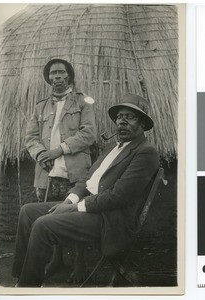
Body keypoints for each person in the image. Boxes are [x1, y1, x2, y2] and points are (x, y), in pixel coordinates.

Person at [12, 93, 159, 287]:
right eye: (119, 117)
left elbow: (118, 197)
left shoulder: (145, 152)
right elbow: (88, 180)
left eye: (130, 117)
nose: (122, 122)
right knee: (28, 211)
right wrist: (69, 201)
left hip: (110, 219)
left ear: (142, 124)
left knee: (42, 224)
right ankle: (19, 277)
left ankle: (28, 287)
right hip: (92, 207)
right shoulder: (112, 147)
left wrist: (73, 209)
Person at [25, 58, 96, 275]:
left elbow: (89, 133)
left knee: (76, 215)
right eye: (52, 74)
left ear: (69, 76)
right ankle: (56, 259)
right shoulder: (40, 107)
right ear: (48, 78)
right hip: (48, 172)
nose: (56, 77)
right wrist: (40, 155)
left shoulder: (83, 102)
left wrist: (59, 150)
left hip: (75, 170)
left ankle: (79, 262)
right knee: (49, 214)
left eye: (61, 73)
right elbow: (31, 137)